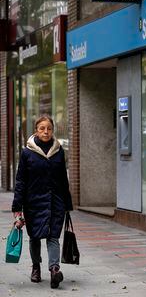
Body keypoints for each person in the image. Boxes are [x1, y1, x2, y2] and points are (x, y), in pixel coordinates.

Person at [12, 115, 73, 288]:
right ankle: (36, 267)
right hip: (33, 203)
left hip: (56, 202)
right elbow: (20, 181)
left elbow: (63, 179)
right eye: (42, 128)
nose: (46, 132)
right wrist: (18, 208)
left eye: (49, 128)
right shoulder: (27, 153)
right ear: (36, 130)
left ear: (52, 130)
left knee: (53, 236)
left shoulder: (59, 151)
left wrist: (67, 205)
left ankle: (54, 269)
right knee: (35, 237)